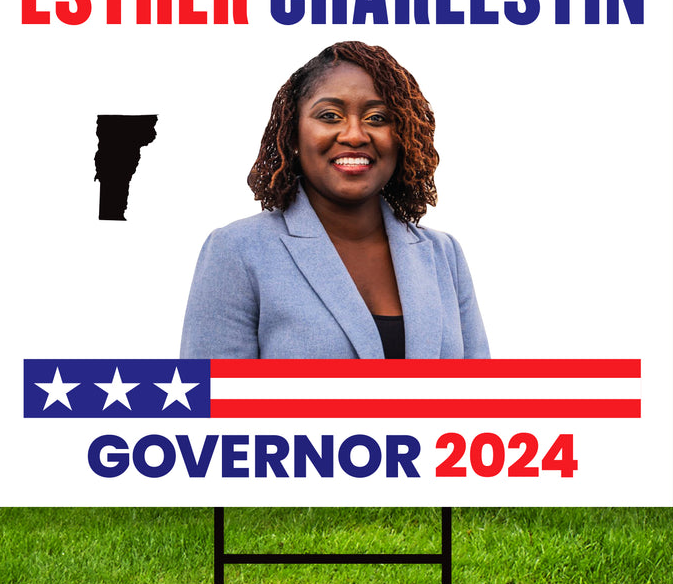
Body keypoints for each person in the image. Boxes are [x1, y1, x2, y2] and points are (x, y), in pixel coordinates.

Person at [179, 41, 489, 359]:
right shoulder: (238, 250)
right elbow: (215, 399)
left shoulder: (444, 256)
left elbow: (480, 400)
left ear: (402, 137)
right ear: (293, 134)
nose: (354, 135)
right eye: (330, 116)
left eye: (377, 118)